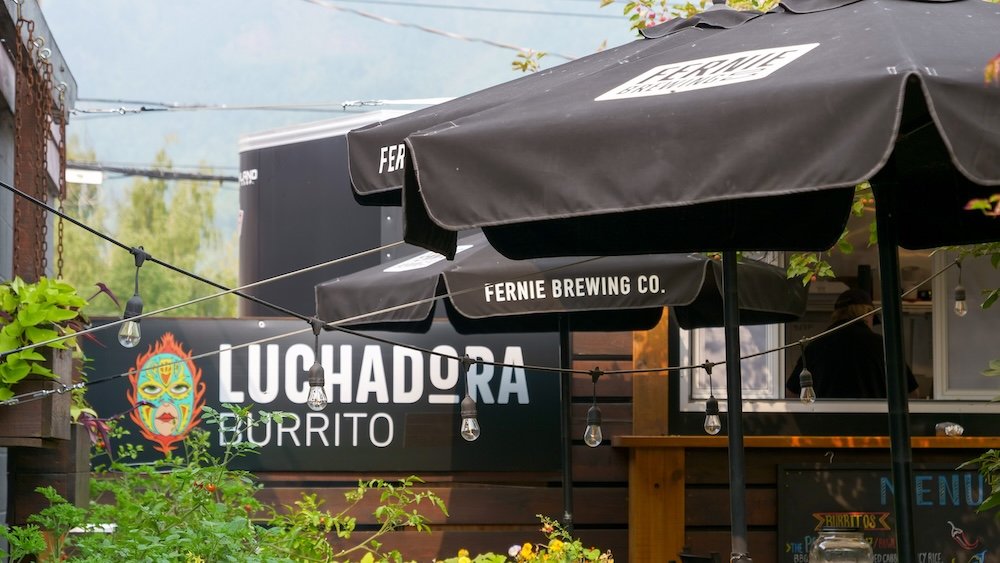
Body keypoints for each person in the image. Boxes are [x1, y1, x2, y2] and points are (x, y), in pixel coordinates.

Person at [785, 288, 918, 399]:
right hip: (875, 426)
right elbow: (912, 394)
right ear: (867, 313)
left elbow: (791, 393)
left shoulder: (815, 346)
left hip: (825, 425)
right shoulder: (883, 346)